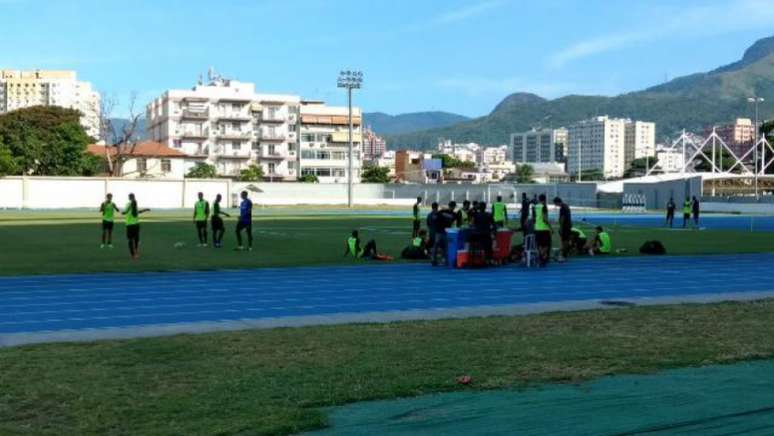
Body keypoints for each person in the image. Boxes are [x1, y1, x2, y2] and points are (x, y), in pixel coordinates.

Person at [122, 193, 150, 260]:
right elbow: (137, 212)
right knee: (136, 239)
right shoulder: (134, 204)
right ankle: (136, 252)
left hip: (130, 225)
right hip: (136, 225)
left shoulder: (128, 204)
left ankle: (133, 255)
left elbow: (125, 212)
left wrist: (123, 212)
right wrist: (145, 210)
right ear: (134, 197)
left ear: (129, 198)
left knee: (130, 240)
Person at [532, 194, 552, 267]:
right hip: (544, 228)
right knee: (547, 245)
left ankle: (541, 257)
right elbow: (545, 219)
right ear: (545, 199)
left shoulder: (535, 207)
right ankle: (542, 257)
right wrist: (551, 228)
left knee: (540, 245)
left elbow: (534, 218)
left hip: (537, 228)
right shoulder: (544, 206)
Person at [553, 197, 572, 261]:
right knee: (566, 240)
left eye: (555, 203)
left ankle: (563, 255)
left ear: (557, 202)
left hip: (565, 226)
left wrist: (561, 227)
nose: (555, 205)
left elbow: (562, 218)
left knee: (564, 241)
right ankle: (565, 254)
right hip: (568, 225)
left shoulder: (562, 208)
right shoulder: (566, 206)